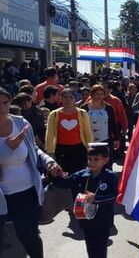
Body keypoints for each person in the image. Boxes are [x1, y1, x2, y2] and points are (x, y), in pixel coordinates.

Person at [0, 87, 62, 258]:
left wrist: (49, 162)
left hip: (26, 194)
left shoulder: (21, 123)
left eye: (5, 103)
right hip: (2, 197)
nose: (2, 108)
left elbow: (34, 149)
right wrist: (7, 150)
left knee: (30, 238)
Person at [50, 143, 118, 258]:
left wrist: (96, 199)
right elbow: (65, 183)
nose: (91, 162)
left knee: (100, 249)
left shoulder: (110, 177)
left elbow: (114, 196)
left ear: (105, 160)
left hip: (103, 221)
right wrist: (54, 174)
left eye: (96, 159)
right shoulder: (82, 175)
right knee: (91, 247)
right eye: (89, 159)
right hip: (86, 221)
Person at [45, 89, 94, 175]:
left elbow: (88, 132)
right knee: (63, 174)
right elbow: (49, 134)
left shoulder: (82, 113)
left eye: (71, 97)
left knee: (79, 173)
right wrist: (50, 152)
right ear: (61, 99)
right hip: (61, 149)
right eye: (65, 97)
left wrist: (90, 149)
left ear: (75, 99)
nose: (68, 99)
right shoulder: (54, 114)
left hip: (79, 149)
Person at [80, 85, 120, 169]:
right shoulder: (84, 108)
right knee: (92, 165)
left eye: (101, 94)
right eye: (97, 94)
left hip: (105, 141)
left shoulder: (108, 108)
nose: (99, 96)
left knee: (107, 164)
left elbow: (113, 124)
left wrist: (117, 138)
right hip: (89, 142)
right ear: (92, 94)